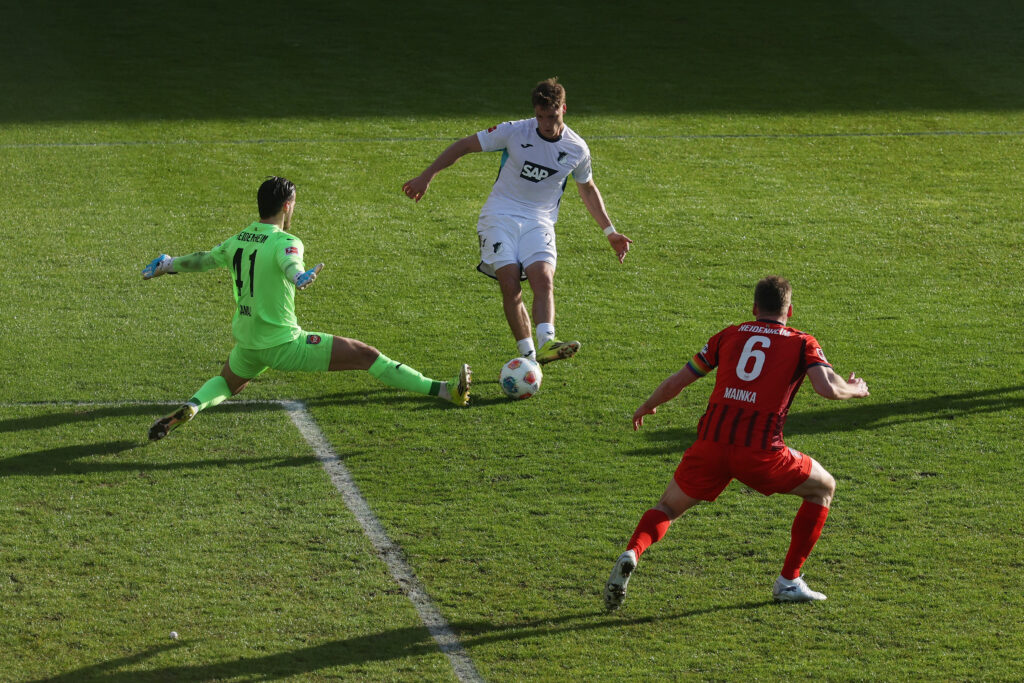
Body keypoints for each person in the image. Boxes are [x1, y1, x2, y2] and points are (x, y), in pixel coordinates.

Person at [604, 276, 869, 609]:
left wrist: (649, 404)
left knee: (668, 508)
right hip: (761, 452)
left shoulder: (729, 335)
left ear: (755, 307)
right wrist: (854, 388)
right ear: (790, 310)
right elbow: (827, 388)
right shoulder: (802, 342)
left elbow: (679, 380)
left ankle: (633, 551)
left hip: (711, 444)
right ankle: (788, 581)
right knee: (823, 487)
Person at [142, 176, 471, 441]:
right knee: (366, 355)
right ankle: (445, 392)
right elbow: (290, 263)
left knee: (228, 383)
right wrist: (299, 277)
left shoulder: (239, 238)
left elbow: (204, 259)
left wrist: (168, 264)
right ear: (287, 206)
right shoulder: (287, 241)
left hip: (248, 341)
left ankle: (193, 406)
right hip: (284, 344)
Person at [402, 77, 632, 365]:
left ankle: (548, 342)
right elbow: (463, 146)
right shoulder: (514, 131)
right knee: (510, 284)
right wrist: (426, 176)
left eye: (551, 116)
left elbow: (586, 187)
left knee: (544, 280)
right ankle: (528, 356)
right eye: (540, 116)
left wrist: (609, 231)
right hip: (499, 216)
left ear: (564, 109)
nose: (545, 124)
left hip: (540, 222)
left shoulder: (577, 149)